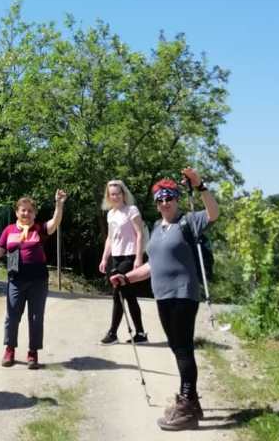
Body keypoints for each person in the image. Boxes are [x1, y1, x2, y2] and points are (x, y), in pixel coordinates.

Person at [110, 167, 219, 432]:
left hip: (183, 294)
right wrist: (126, 278)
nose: (164, 202)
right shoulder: (158, 228)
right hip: (163, 296)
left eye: (169, 197)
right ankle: (191, 402)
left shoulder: (188, 222)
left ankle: (186, 404)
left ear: (177, 199)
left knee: (183, 349)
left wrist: (200, 185)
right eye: (159, 199)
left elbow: (214, 213)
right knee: (176, 348)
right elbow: (151, 267)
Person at [0, 190, 67, 370]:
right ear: (17, 212)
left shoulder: (39, 229)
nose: (26, 213)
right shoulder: (9, 230)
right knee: (12, 316)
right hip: (15, 280)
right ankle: (9, 349)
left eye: (30, 211)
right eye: (23, 210)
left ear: (34, 213)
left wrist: (59, 204)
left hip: (38, 280)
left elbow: (55, 222)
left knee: (36, 317)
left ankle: (33, 352)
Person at [98, 179, 148, 344]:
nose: (115, 196)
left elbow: (140, 234)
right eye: (112, 194)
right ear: (108, 196)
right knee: (129, 295)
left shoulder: (131, 210)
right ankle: (140, 333)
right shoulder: (110, 214)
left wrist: (139, 258)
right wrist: (105, 258)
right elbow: (110, 239)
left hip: (130, 256)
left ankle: (112, 333)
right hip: (116, 257)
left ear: (123, 194)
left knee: (117, 292)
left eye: (118, 193)